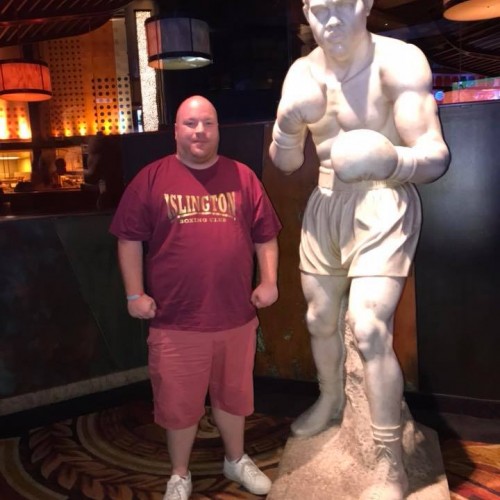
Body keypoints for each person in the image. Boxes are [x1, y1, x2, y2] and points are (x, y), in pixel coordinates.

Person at [269, 0, 450, 498]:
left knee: (368, 326)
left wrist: (390, 158)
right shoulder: (302, 72)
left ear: (365, 4)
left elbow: (434, 156)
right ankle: (331, 400)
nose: (329, 22)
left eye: (340, 7)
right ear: (306, 13)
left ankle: (388, 459)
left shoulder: (399, 61)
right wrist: (286, 125)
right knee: (319, 319)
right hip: (326, 202)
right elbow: (285, 164)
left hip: (384, 198)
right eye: (317, 11)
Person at [110, 95, 281, 500]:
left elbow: (266, 236)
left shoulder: (243, 177)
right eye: (190, 123)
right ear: (177, 130)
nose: (199, 130)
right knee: (178, 404)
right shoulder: (151, 179)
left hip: (236, 317)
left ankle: (235, 459)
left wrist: (269, 280)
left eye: (207, 122)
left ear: (218, 129)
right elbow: (128, 239)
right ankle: (179, 473)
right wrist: (134, 293)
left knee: (234, 397)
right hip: (175, 320)